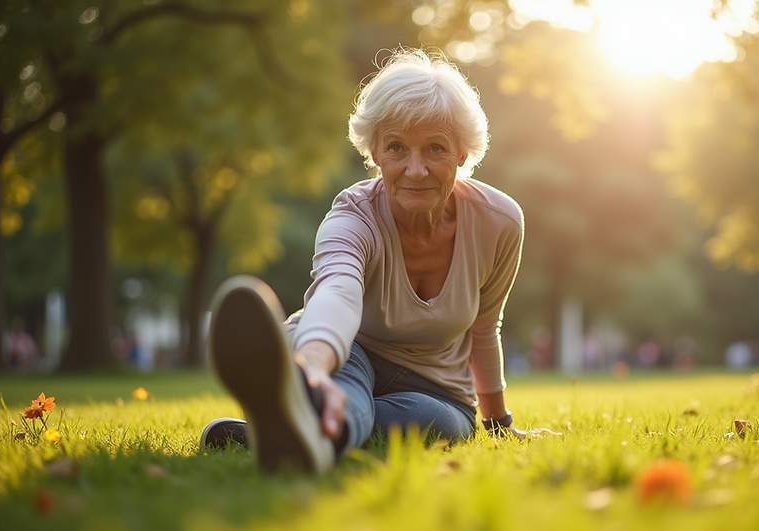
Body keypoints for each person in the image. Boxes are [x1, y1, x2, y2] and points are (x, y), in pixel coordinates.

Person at [201, 48, 536, 473]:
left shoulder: (499, 222)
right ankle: (309, 398)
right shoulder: (352, 216)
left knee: (442, 424)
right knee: (346, 386)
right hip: (344, 350)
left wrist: (498, 423)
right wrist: (315, 368)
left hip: (433, 389)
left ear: (463, 154)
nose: (415, 170)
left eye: (435, 148)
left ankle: (291, 420)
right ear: (375, 152)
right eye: (397, 148)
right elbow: (336, 292)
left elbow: (485, 326)